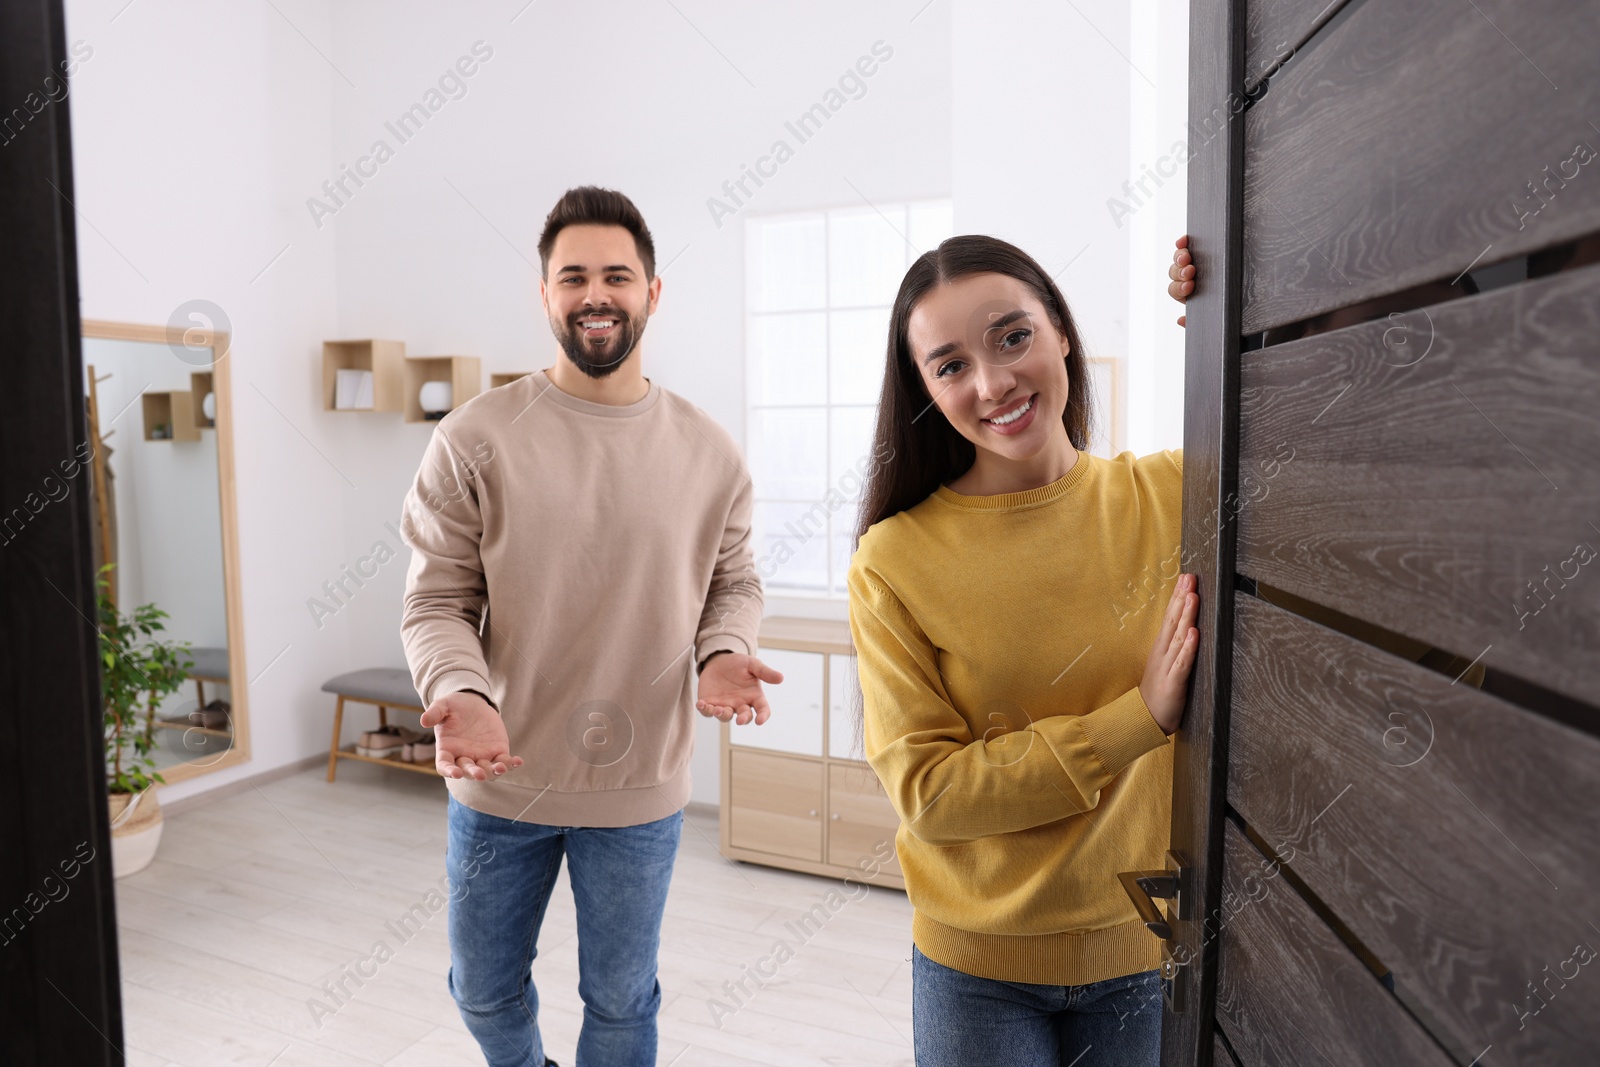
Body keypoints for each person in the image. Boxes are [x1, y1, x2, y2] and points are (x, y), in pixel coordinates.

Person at [398, 186, 783, 1067]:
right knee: (483, 988)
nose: (595, 293)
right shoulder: (474, 436)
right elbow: (437, 599)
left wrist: (725, 649)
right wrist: (459, 689)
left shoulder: (709, 449)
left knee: (620, 1001)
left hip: (639, 782)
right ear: (545, 296)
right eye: (573, 276)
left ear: (653, 291)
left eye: (617, 273)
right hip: (503, 776)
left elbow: (734, 577)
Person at [847, 233, 1199, 1066]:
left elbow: (1329, 428)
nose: (993, 382)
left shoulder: (1174, 494)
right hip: (977, 972)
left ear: (1061, 331)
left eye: (1013, 337)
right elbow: (929, 793)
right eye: (951, 366)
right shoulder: (893, 559)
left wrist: (1222, 324)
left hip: (1144, 949)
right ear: (926, 391)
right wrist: (1136, 720)